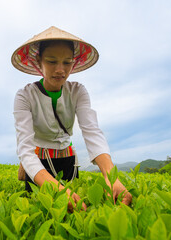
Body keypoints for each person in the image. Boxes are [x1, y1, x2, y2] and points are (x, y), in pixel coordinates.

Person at [12, 26, 132, 211]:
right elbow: (25, 148)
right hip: (38, 162)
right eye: (52, 61)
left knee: (75, 208)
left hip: (67, 158)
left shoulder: (77, 91)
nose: (60, 70)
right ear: (39, 61)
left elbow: (92, 132)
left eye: (67, 63)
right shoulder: (25, 96)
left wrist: (111, 177)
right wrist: (51, 185)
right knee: (40, 208)